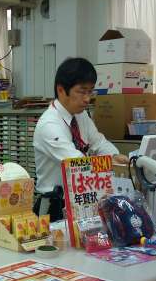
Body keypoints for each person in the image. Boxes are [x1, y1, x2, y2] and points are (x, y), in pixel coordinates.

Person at [33, 57, 129, 219]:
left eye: (90, 91)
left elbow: (99, 143)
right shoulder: (49, 124)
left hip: (84, 199)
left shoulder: (81, 115)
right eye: (82, 91)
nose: (87, 98)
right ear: (61, 90)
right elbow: (78, 164)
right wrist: (109, 163)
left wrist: (115, 156)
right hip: (55, 206)